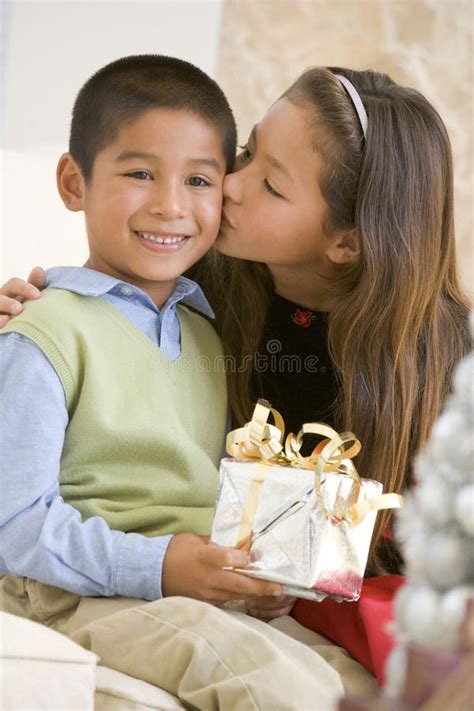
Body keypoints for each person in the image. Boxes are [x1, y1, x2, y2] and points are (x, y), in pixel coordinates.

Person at [2, 63, 470, 690]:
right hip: (153, 579)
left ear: (346, 243)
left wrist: (272, 582)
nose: (228, 187)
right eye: (245, 154)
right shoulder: (199, 289)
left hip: (368, 593)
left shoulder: (442, 359)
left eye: (270, 185)